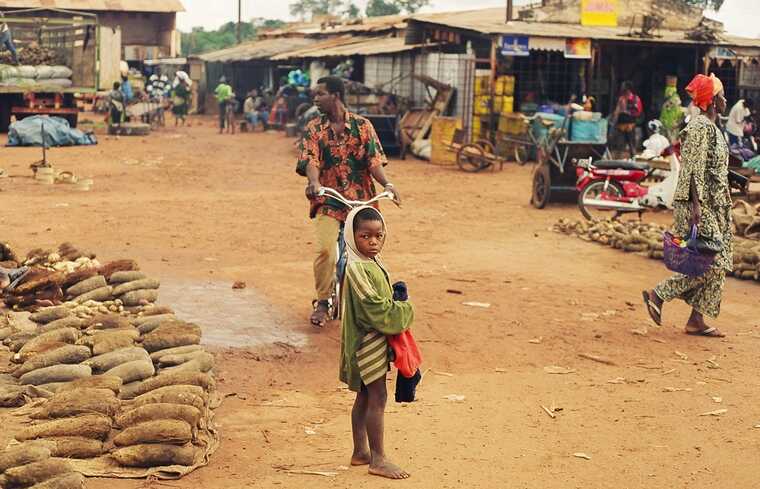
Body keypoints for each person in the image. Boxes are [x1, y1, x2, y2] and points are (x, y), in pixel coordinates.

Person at [299, 76, 400, 327]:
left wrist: (387, 184)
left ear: (335, 95)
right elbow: (310, 160)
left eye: (320, 94)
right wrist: (314, 182)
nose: (315, 98)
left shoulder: (363, 126)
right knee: (325, 249)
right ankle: (322, 301)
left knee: (369, 251)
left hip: (362, 200)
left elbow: (374, 161)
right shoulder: (314, 128)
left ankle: (368, 303)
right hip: (329, 199)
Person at [642, 73, 732, 338]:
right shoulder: (699, 127)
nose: (726, 99)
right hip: (699, 205)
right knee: (712, 262)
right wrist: (697, 209)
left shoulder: (712, 127)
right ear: (713, 100)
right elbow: (691, 170)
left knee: (719, 261)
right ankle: (658, 295)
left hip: (714, 204)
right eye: (722, 94)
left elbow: (709, 166)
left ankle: (696, 319)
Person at [340, 205, 413, 480]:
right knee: (378, 395)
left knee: (365, 395)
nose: (372, 242)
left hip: (374, 340)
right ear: (352, 236)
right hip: (365, 342)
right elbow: (374, 307)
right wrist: (405, 311)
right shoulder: (357, 268)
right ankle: (378, 458)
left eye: (378, 236)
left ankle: (361, 451)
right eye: (365, 236)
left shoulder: (372, 262)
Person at [613, 81, 644, 158]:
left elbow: (617, 111)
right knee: (629, 143)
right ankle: (631, 157)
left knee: (623, 143)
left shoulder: (624, 98)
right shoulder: (634, 98)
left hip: (625, 123)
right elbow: (639, 111)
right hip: (628, 123)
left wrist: (614, 120)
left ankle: (621, 158)